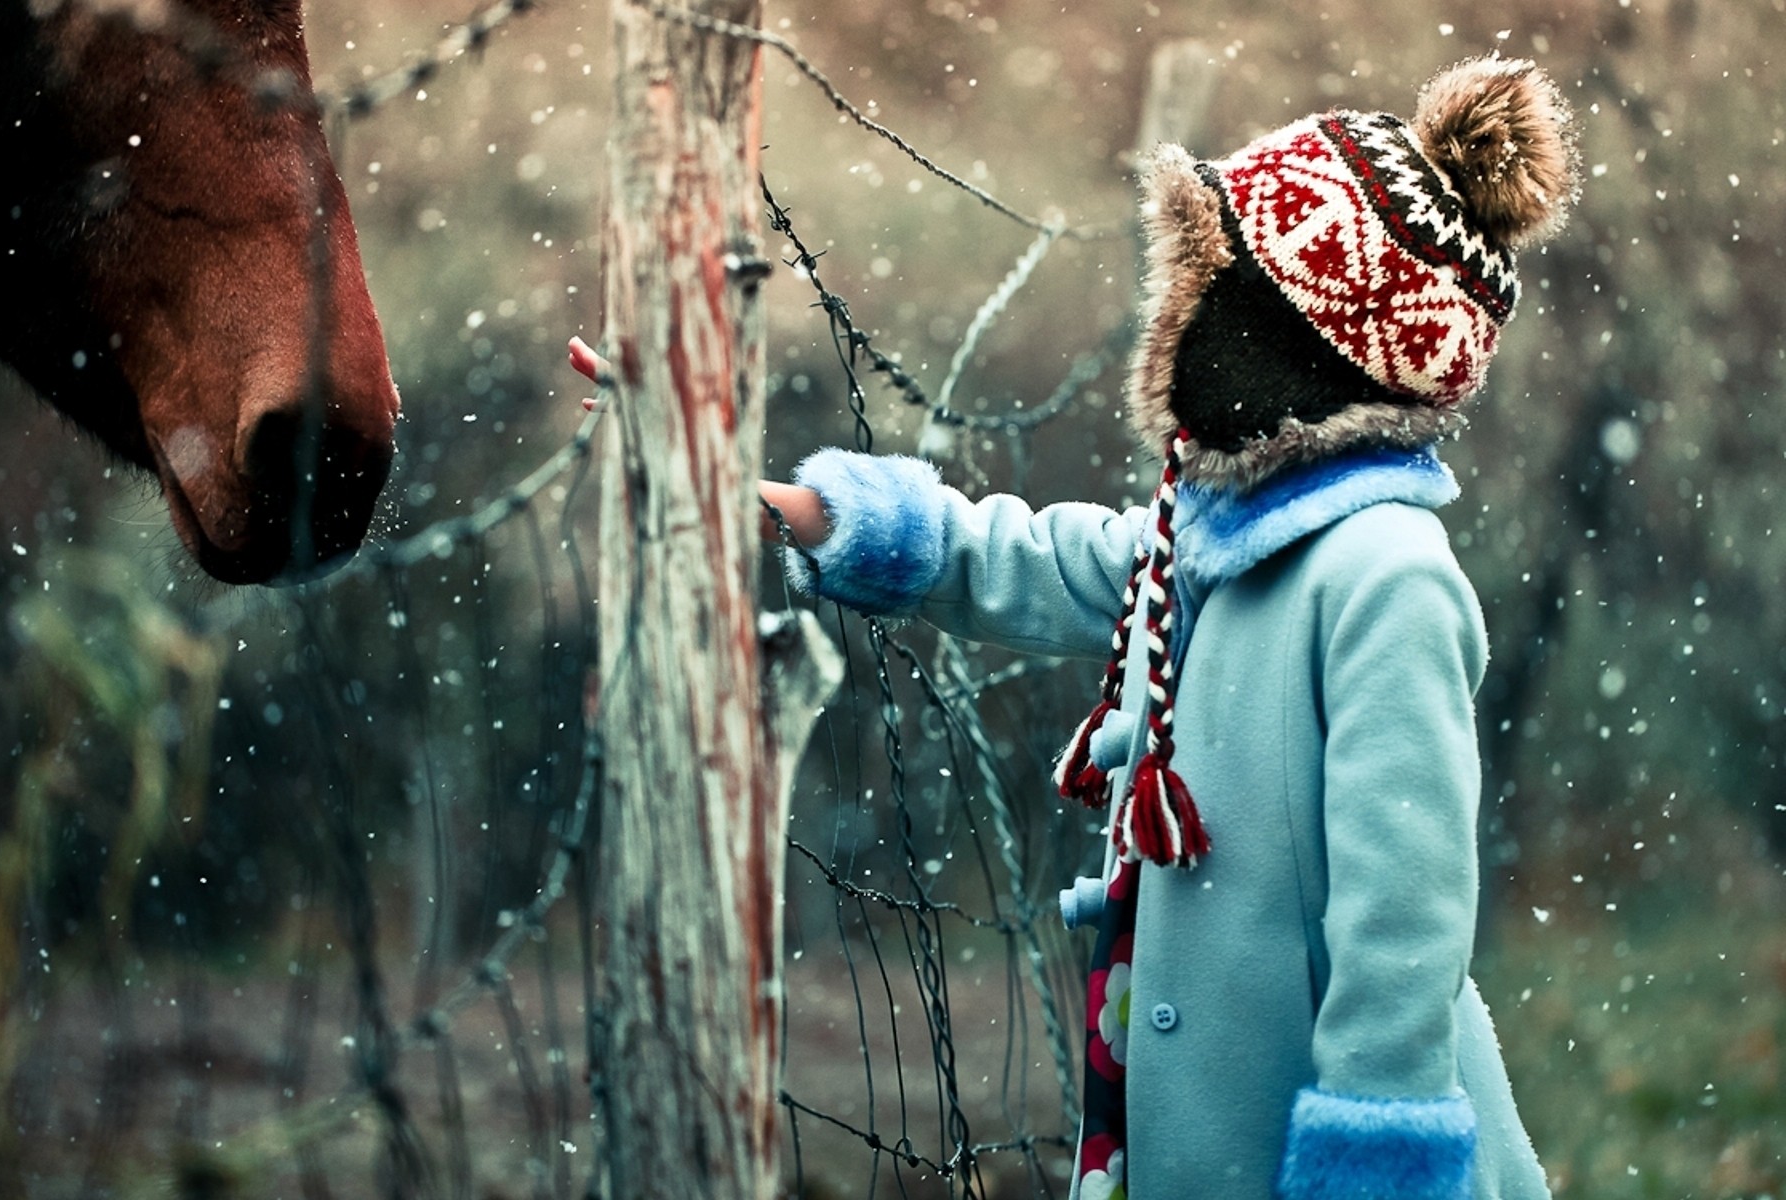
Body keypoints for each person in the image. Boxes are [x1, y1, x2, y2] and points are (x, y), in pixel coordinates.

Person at [573, 54, 1577, 1200]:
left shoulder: (1384, 578)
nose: (1187, 319)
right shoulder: (1203, 546)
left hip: (1315, 1162)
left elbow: (1407, 927)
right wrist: (759, 497)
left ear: (1302, 337)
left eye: (1219, 287)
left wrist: (1372, 1164)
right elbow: (1011, 555)